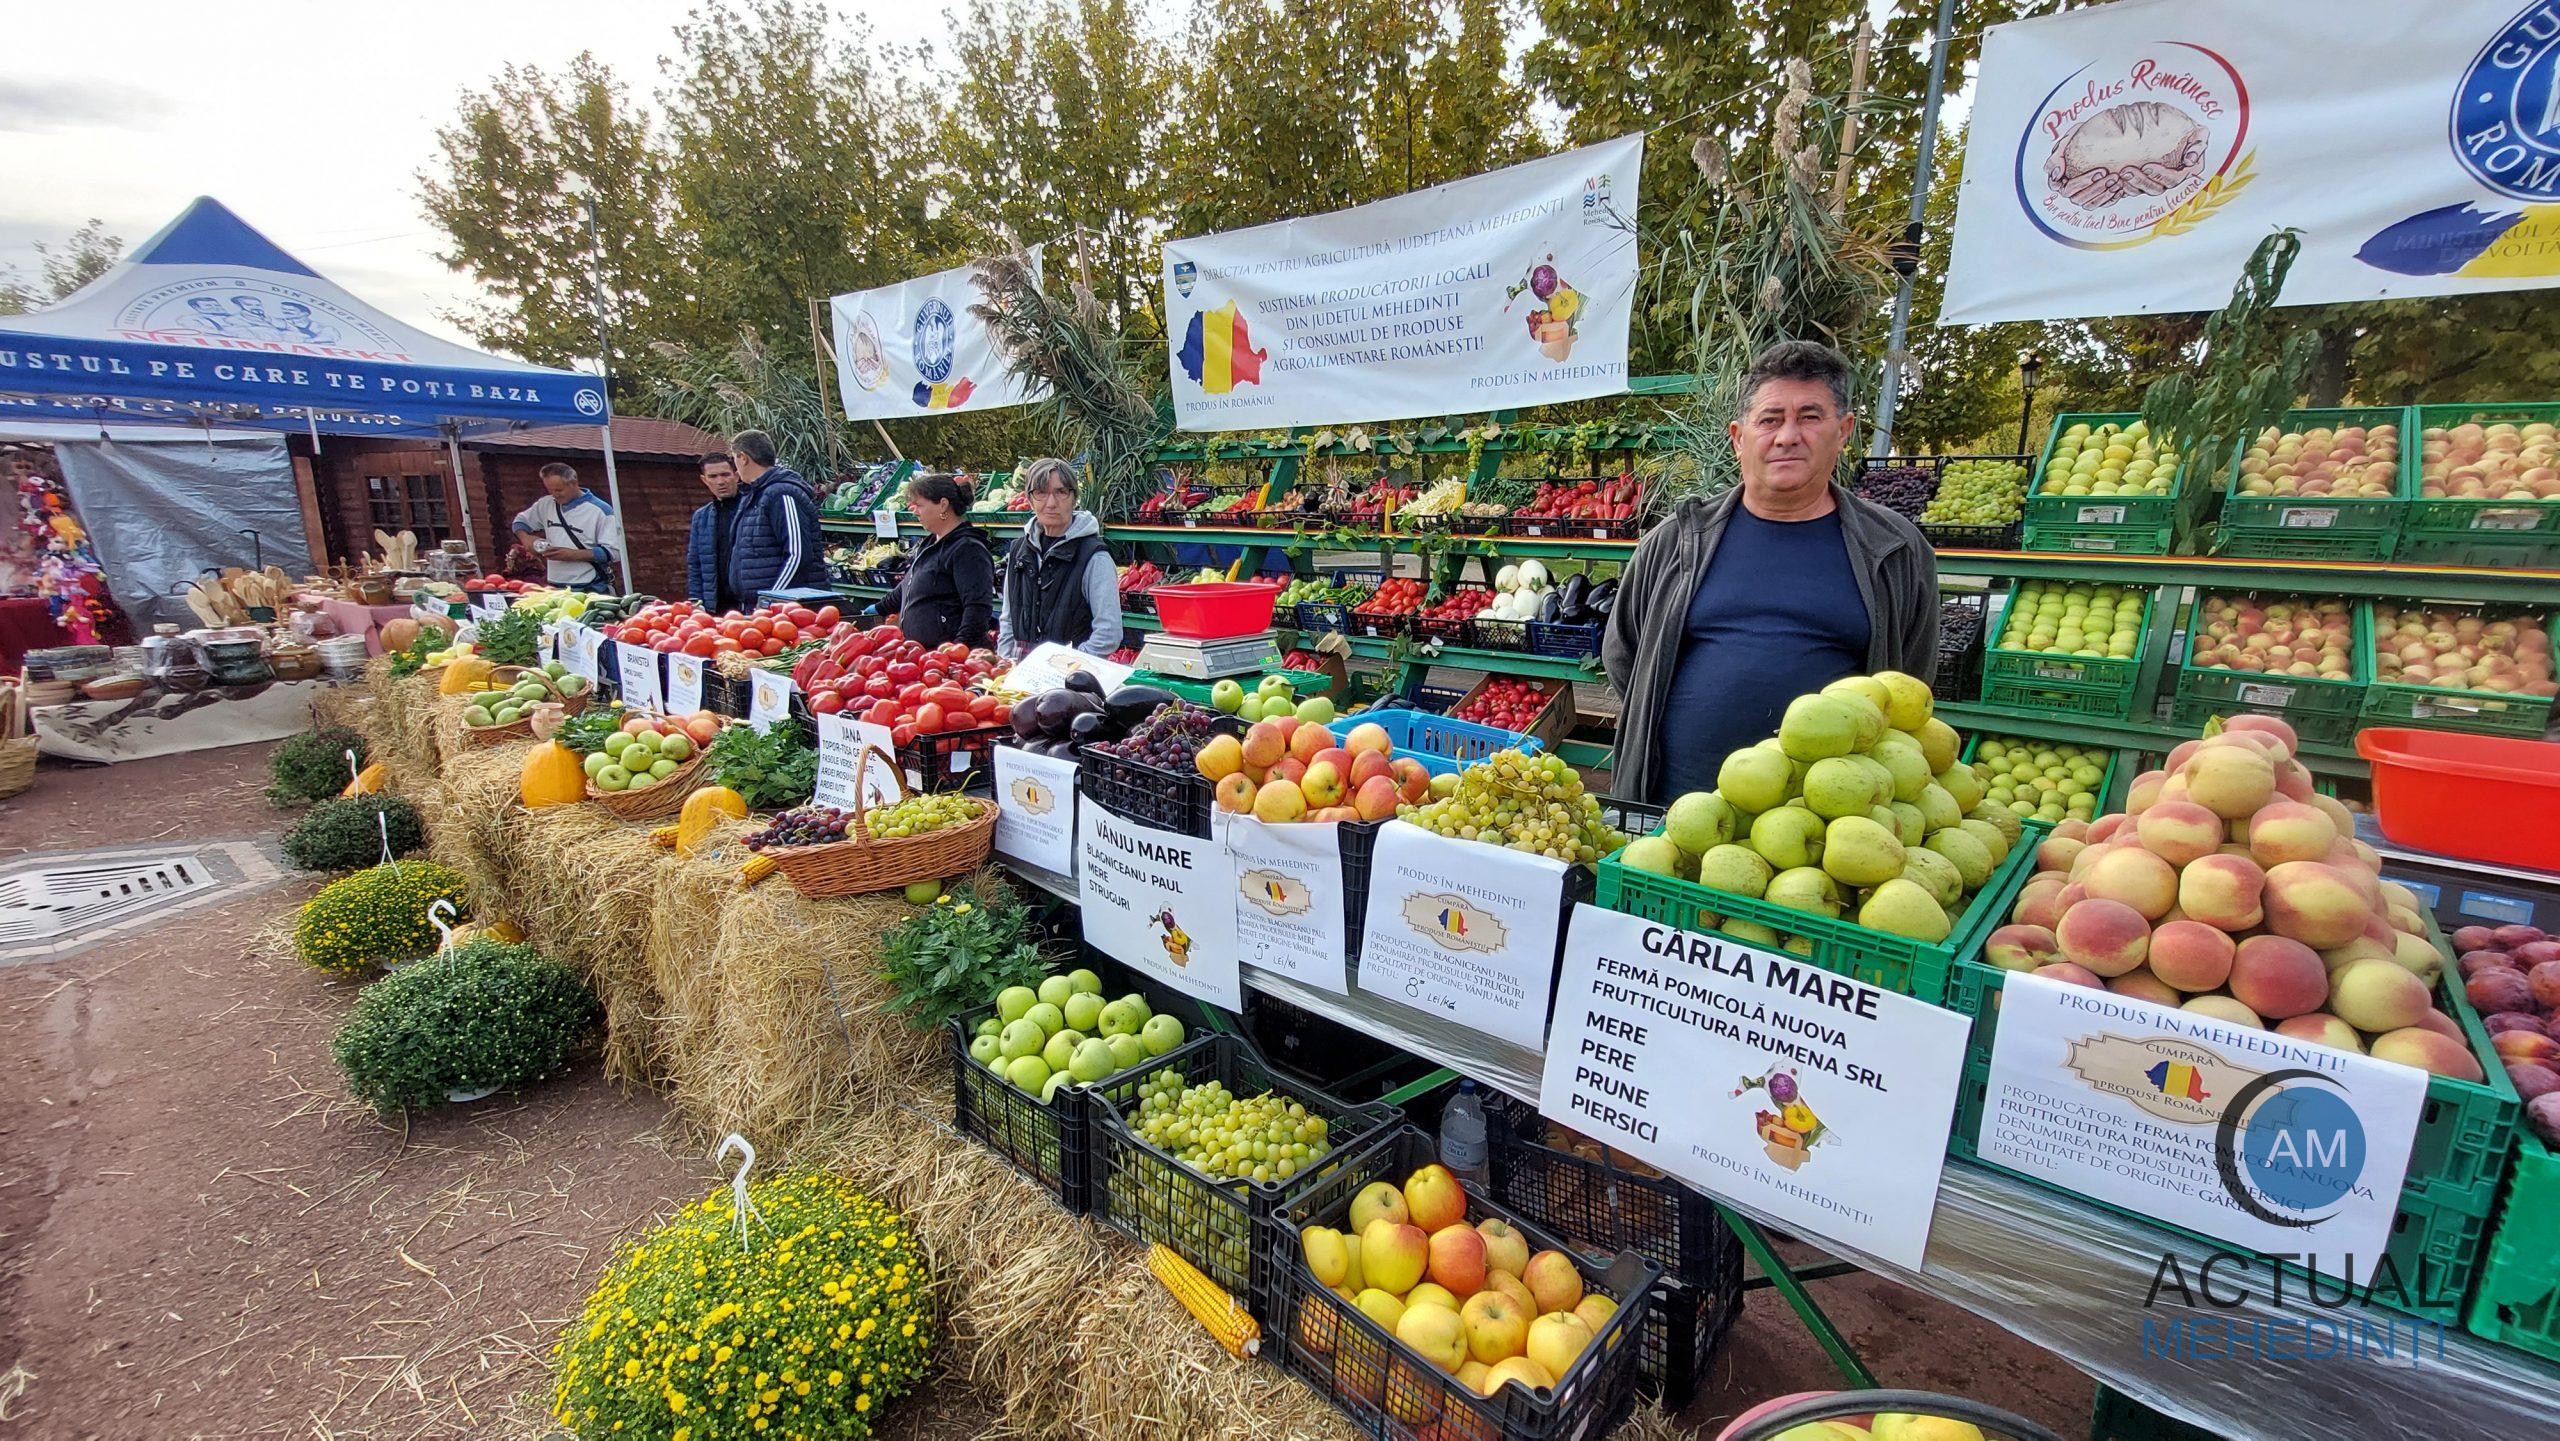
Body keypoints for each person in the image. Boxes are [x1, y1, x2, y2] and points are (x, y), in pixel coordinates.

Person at [1602, 339, 1938, 804]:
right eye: (1770, 419)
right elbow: (1626, 653)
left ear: (1844, 431)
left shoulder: (1895, 549)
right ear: (1739, 438)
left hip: (1827, 821)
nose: (1787, 436)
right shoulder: (1676, 540)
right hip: (1672, 812)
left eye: (1810, 417)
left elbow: (1909, 678)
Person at [997, 457, 1122, 659]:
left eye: (1061, 492)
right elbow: (1008, 619)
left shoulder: (1094, 556)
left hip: (1071, 678)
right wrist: (1005, 663)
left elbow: (1109, 633)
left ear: (1074, 498)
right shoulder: (1019, 550)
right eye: (1041, 493)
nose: (1051, 503)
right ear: (1029, 499)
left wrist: (1066, 665)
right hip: (1019, 675)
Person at [894, 472, 996, 649]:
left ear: (943, 505)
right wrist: (876, 609)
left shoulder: (968, 549)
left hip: (950, 661)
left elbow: (977, 608)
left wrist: (957, 651)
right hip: (924, 657)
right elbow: (907, 587)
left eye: (919, 505)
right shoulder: (929, 543)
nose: (913, 510)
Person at [723, 429, 825, 603]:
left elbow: (798, 554)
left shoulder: (782, 493)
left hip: (789, 609)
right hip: (764, 609)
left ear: (743, 457)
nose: (735, 468)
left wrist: (771, 600)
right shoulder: (754, 495)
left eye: (734, 459)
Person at [510, 461, 624, 594]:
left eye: (558, 490)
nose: (554, 495)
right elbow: (519, 522)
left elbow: (614, 552)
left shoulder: (601, 511)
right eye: (550, 490)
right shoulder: (546, 504)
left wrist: (572, 555)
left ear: (574, 483)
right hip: (554, 586)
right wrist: (526, 539)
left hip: (589, 586)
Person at [684, 450, 746, 611]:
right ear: (704, 480)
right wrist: (696, 602)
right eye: (713, 477)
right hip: (715, 605)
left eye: (725, 475)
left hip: (747, 603)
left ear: (736, 475)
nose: (720, 481)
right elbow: (695, 564)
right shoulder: (701, 517)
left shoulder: (751, 509)